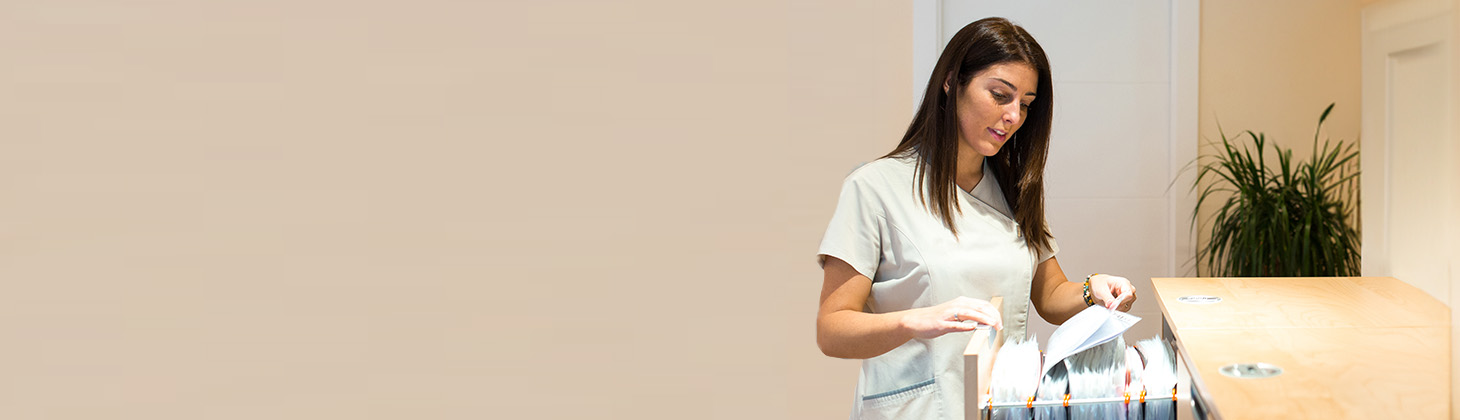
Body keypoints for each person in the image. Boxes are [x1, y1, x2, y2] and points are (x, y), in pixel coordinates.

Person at [815, 17, 1137, 419]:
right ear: (952, 82)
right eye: (1000, 95)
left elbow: (1051, 295)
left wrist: (1094, 289)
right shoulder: (874, 188)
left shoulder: (1014, 189)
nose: (1014, 115)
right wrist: (918, 320)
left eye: (1025, 104)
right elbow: (832, 329)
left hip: (998, 405)